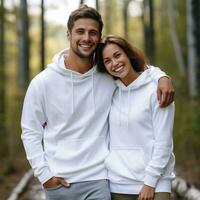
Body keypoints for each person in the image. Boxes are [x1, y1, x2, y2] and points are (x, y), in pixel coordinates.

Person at [21, 5, 175, 200]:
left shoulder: (107, 76)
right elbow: (30, 131)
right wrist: (44, 175)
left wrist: (163, 76)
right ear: (68, 34)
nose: (86, 38)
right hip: (59, 181)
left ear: (99, 37)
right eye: (80, 31)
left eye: (92, 32)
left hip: (100, 179)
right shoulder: (42, 83)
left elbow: (138, 70)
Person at [96, 35, 175, 200]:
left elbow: (164, 143)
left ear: (128, 54)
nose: (115, 63)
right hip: (118, 182)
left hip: (156, 181)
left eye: (117, 55)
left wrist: (150, 182)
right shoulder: (109, 91)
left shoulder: (157, 91)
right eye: (107, 60)